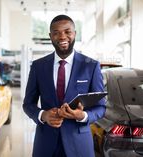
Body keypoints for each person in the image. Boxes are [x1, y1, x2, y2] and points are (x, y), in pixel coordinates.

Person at [23, 15, 106, 157]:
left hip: (79, 143)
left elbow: (100, 107)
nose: (62, 37)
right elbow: (28, 104)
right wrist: (43, 115)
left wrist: (83, 116)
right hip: (45, 143)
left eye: (67, 31)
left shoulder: (91, 66)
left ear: (74, 34)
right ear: (50, 36)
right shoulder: (38, 66)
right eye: (56, 32)